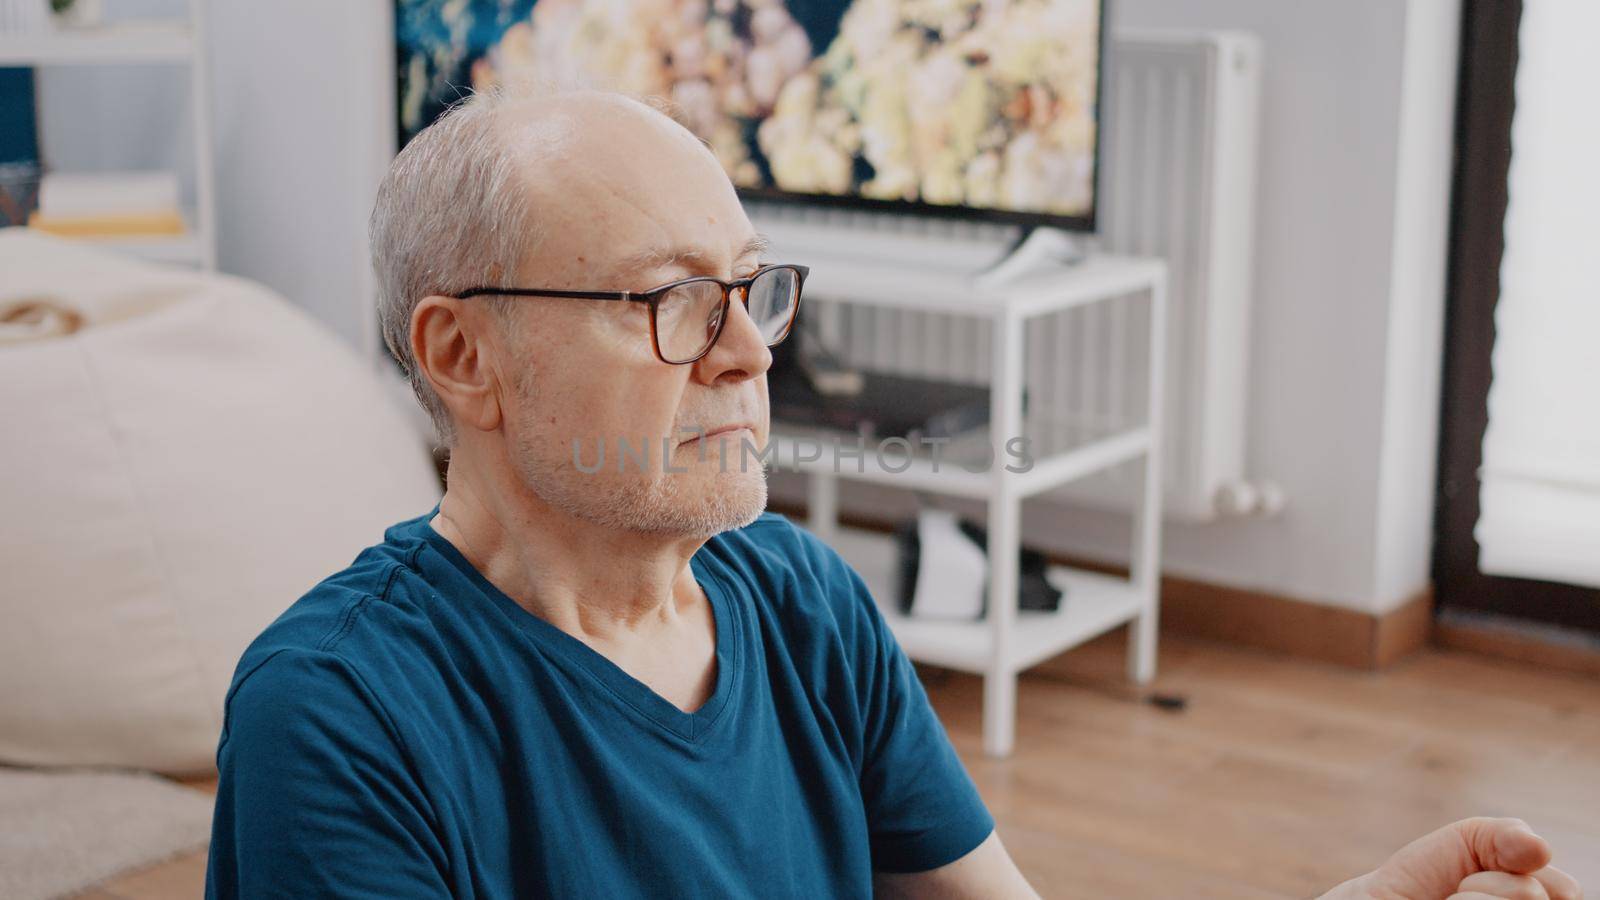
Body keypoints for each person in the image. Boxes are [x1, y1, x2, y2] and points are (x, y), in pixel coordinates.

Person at [204, 86, 1582, 900]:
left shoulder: (800, 600)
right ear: (465, 355)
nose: (751, 350)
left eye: (753, 290)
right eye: (678, 300)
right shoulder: (337, 718)